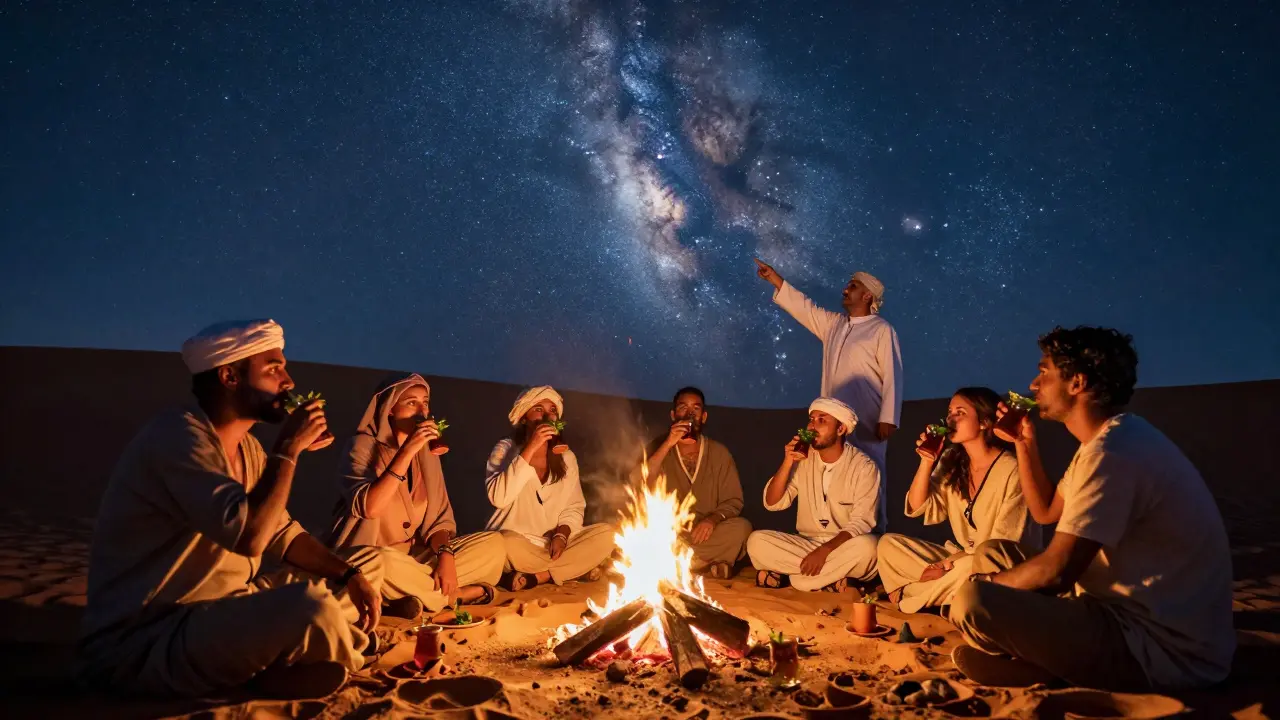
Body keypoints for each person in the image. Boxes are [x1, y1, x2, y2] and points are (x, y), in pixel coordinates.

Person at [77, 320, 391, 698]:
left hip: (228, 607)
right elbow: (250, 538)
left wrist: (350, 576)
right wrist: (288, 451)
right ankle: (345, 653)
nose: (289, 381)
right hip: (152, 637)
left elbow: (281, 533)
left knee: (365, 565)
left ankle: (284, 661)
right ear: (229, 376)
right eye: (273, 369)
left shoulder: (250, 449)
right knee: (308, 606)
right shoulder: (177, 437)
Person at [949, 327, 1234, 692]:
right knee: (993, 553)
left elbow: (1058, 571)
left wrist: (987, 584)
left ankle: (1048, 666)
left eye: (1044, 373)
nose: (1033, 385)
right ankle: (1042, 660)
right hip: (1116, 608)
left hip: (1157, 647)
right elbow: (1045, 512)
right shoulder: (1108, 439)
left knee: (974, 600)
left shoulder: (1111, 454)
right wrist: (1023, 442)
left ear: (1077, 383)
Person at [329, 373, 504, 615]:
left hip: (411, 560)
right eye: (412, 403)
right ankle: (453, 595)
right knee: (382, 563)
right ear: (390, 409)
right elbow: (370, 507)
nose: (422, 411)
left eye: (425, 403)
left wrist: (445, 556)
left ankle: (407, 595)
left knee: (494, 545)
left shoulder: (427, 454)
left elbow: (439, 519)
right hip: (371, 558)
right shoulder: (361, 446)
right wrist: (408, 450)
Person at [755, 258, 902, 519]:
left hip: (866, 414)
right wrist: (774, 279)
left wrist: (888, 417)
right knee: (832, 467)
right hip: (831, 419)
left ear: (867, 295)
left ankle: (874, 527)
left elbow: (893, 374)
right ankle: (833, 525)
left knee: (869, 465)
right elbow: (805, 308)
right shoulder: (834, 324)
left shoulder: (881, 329)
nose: (845, 289)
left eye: (852, 286)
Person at [877, 387, 1040, 614]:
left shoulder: (1012, 470)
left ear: (984, 422)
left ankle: (911, 596)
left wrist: (948, 563)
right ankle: (943, 595)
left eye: (960, 413)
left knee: (969, 566)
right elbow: (917, 506)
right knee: (888, 545)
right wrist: (926, 462)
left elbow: (998, 547)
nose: (950, 419)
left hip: (1001, 565)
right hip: (961, 560)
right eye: (950, 412)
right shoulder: (952, 459)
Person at [485, 386, 615, 590]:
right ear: (524, 417)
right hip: (518, 545)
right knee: (503, 542)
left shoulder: (566, 457)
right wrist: (532, 447)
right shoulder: (505, 448)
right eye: (538, 409)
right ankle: (562, 570)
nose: (547, 416)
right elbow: (498, 497)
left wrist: (561, 535)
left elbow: (574, 507)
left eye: (552, 410)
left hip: (551, 546)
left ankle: (538, 576)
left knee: (607, 534)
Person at [746, 397, 880, 592]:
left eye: (821, 420)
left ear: (841, 429)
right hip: (807, 544)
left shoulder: (864, 467)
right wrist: (787, 462)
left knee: (870, 548)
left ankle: (798, 579)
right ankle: (832, 579)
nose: (811, 426)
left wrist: (824, 552)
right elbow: (773, 503)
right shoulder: (804, 459)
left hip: (843, 546)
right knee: (756, 542)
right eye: (811, 420)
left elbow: (862, 522)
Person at [633, 386, 751, 579]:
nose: (689, 414)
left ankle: (684, 562)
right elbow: (638, 482)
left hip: (707, 533)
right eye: (683, 408)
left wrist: (712, 520)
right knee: (641, 533)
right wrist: (668, 443)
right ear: (673, 415)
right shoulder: (658, 448)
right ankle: (704, 563)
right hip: (671, 533)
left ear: (703, 417)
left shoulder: (719, 453)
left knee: (742, 529)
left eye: (696, 409)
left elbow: (733, 501)